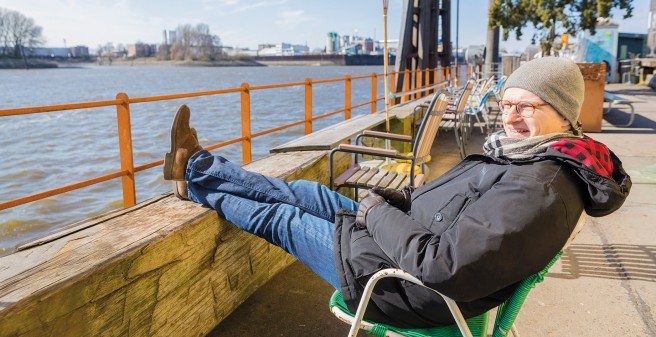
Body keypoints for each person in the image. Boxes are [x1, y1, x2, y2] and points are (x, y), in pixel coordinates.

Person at [163, 57, 631, 328]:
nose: (510, 117)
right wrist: (394, 207)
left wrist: (375, 209)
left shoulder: (541, 187)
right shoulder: (530, 155)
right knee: (307, 192)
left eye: (526, 106)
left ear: (565, 111)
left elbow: (443, 267)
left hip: (405, 288)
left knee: (284, 220)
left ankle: (198, 188)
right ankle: (198, 164)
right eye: (507, 103)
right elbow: (459, 214)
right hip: (402, 241)